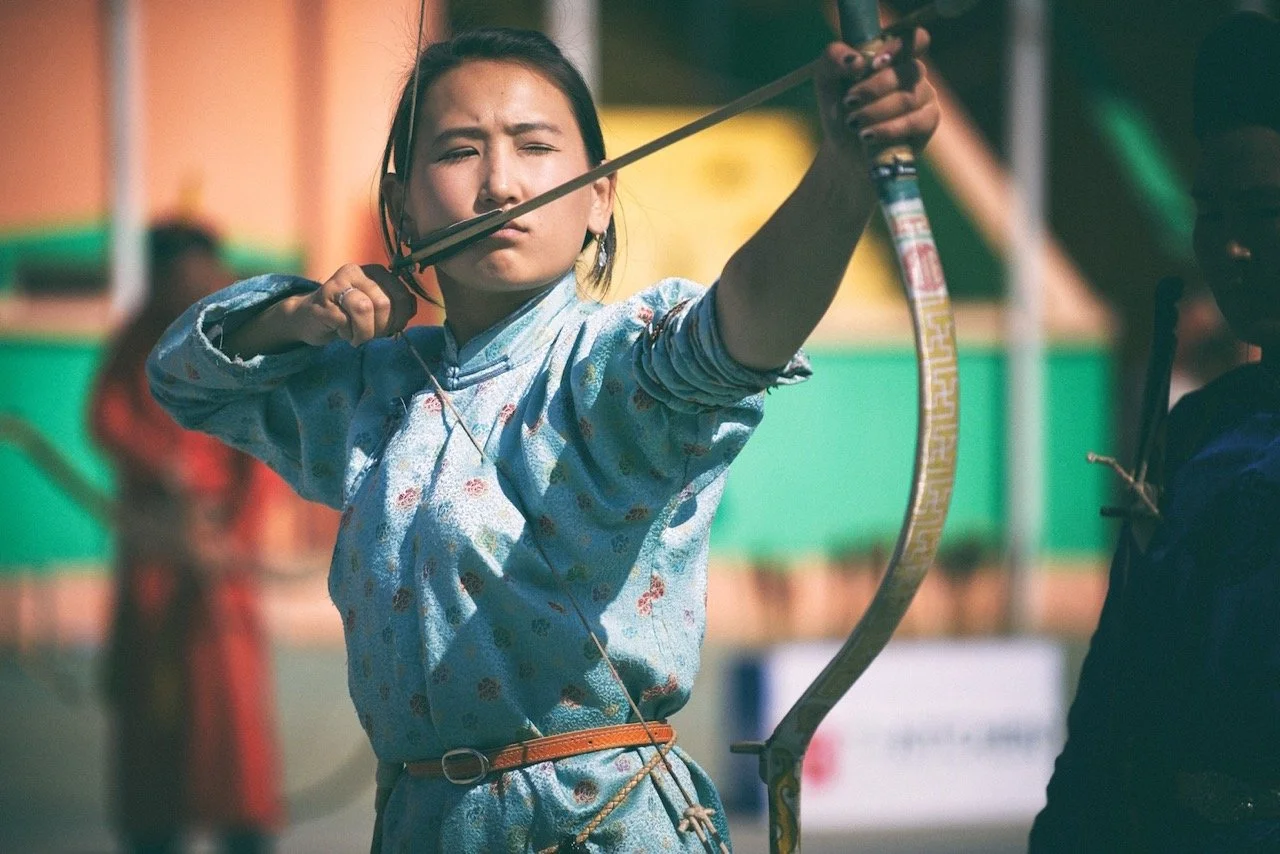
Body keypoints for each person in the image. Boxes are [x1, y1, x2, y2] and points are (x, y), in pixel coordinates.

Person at [146, 26, 938, 853]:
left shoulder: (619, 364)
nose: (499, 186)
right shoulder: (370, 389)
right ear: (404, 204)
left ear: (599, 198)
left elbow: (746, 323)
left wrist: (848, 172)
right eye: (458, 152)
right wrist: (298, 316)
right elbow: (180, 379)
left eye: (534, 146)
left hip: (599, 823)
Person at [1031, 11, 1280, 853]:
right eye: (1211, 212)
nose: (1233, 247)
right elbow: (1113, 699)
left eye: (1265, 210)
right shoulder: (1194, 431)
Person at [91, 222, 284, 854]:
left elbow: (266, 443)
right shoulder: (138, 337)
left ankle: (245, 831)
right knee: (153, 724)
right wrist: (161, 466)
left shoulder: (237, 334)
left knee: (232, 724)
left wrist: (235, 535)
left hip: (222, 571)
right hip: (156, 564)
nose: (197, 286)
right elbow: (107, 417)